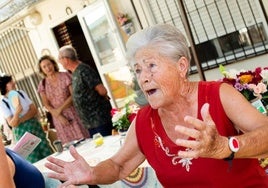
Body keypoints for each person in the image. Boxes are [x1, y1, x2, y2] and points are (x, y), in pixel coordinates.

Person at [45, 24, 268, 187]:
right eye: (138, 70)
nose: (143, 78)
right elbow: (119, 166)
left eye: (151, 66)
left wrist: (224, 147)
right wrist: (93, 173)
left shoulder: (218, 95)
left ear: (181, 66)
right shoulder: (144, 122)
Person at [57, 45, 113, 137]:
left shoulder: (84, 70)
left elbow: (102, 91)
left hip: (99, 120)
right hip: (91, 123)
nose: (59, 62)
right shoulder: (75, 72)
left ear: (66, 59)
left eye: (59, 59)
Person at [37, 55, 89, 144]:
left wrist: (59, 110)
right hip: (58, 119)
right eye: (44, 67)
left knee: (84, 140)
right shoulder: (43, 84)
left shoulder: (65, 76)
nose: (47, 68)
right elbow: (46, 104)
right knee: (69, 146)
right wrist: (59, 116)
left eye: (49, 64)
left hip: (72, 113)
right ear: (42, 70)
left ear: (53, 64)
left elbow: (73, 95)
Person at [0, 75, 52, 163]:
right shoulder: (3, 103)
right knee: (33, 158)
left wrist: (19, 119)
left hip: (35, 127)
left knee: (47, 151)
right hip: (22, 133)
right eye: (10, 82)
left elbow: (34, 110)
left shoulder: (21, 93)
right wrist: (17, 111)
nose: (14, 83)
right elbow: (12, 124)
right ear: (5, 85)